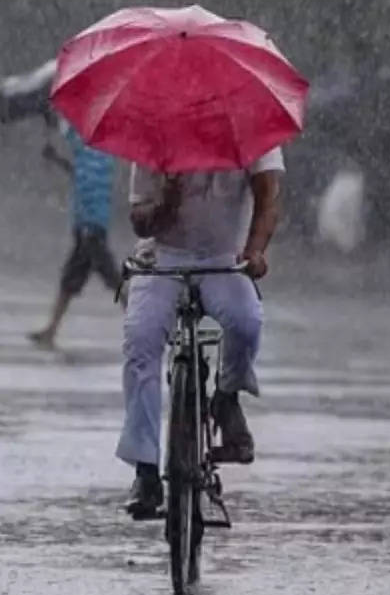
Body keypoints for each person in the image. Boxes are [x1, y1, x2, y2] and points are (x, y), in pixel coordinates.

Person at [120, 149, 284, 516]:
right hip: (162, 258)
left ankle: (226, 397)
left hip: (223, 260)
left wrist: (255, 251)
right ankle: (145, 470)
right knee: (140, 342)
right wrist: (166, 203)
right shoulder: (156, 136)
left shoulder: (250, 129)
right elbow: (139, 221)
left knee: (247, 322)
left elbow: (268, 196)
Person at [28, 118, 122, 349]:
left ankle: (147, 327)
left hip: (89, 228)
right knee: (71, 281)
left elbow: (71, 138)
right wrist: (57, 159)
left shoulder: (90, 151)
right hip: (88, 227)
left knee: (113, 280)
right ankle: (51, 329)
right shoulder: (100, 155)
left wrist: (54, 123)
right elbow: (78, 174)